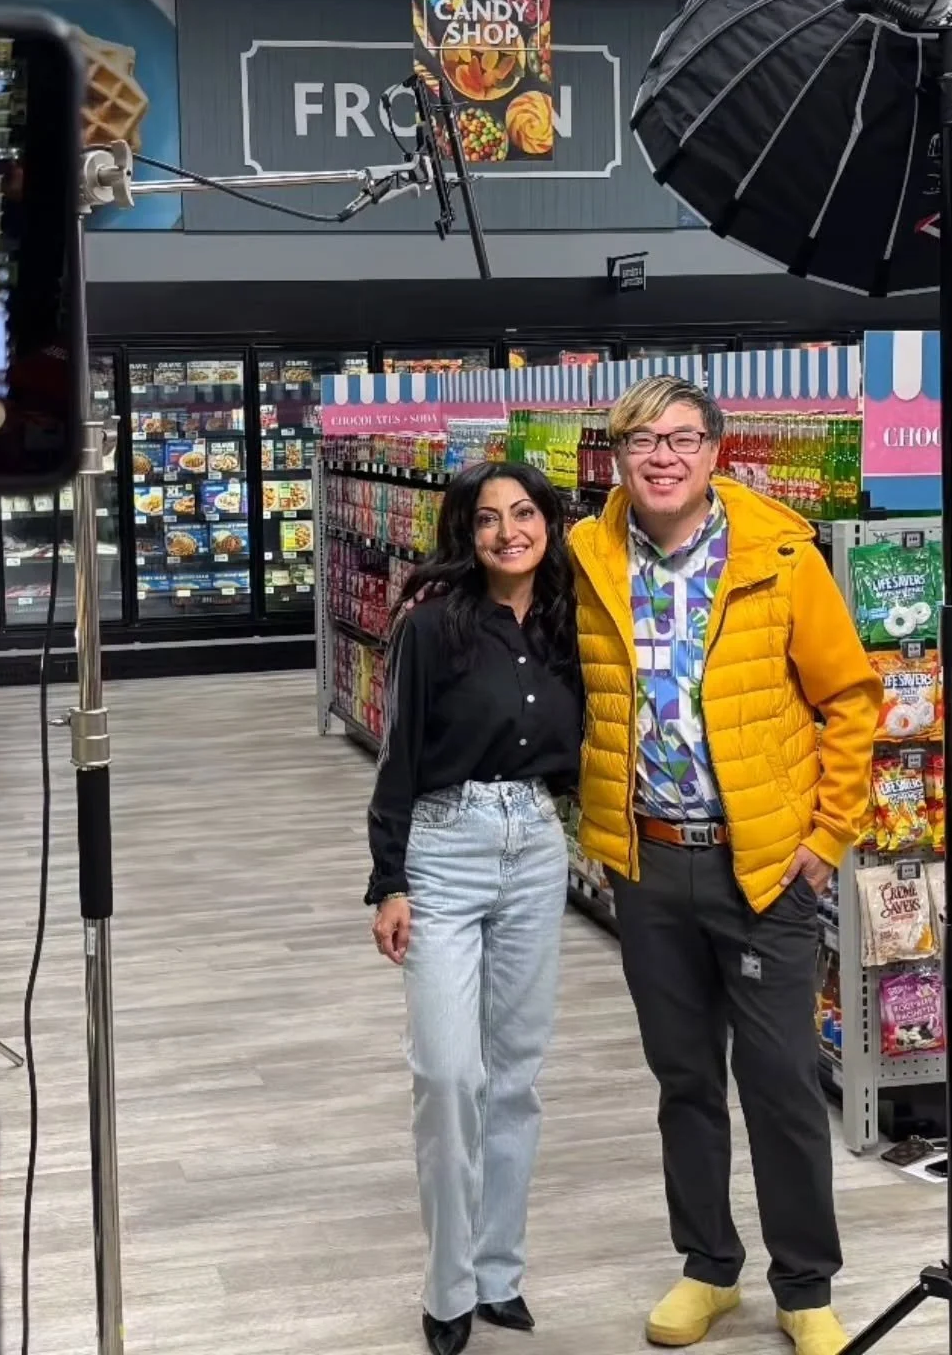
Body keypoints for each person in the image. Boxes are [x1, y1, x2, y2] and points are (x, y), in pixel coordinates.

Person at [569, 376, 880, 1355]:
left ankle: (805, 1285)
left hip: (764, 870)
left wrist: (825, 840)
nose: (661, 457)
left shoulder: (782, 552)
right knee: (684, 1078)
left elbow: (850, 698)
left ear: (715, 451)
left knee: (782, 1080)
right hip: (648, 865)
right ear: (618, 455)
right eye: (641, 440)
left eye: (681, 439)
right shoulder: (586, 555)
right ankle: (708, 1266)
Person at [368, 462, 582, 1355]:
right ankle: (447, 1283)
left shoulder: (570, 623)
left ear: (548, 524)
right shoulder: (432, 626)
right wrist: (389, 880)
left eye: (524, 513)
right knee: (449, 1073)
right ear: (466, 532)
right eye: (488, 519)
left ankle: (498, 1273)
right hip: (444, 846)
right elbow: (398, 757)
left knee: (515, 1076)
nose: (508, 532)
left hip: (535, 844)